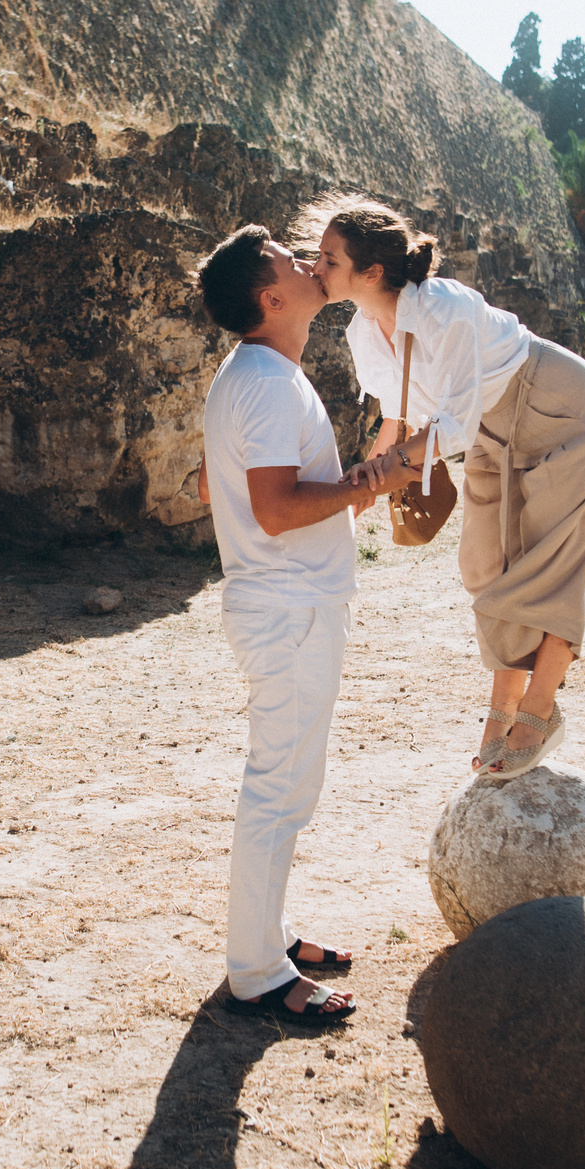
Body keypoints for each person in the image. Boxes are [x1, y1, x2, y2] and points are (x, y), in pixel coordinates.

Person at [300, 193, 585, 780]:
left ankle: (539, 709)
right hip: (492, 433)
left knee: (549, 562)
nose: (315, 269)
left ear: (370, 273)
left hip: (559, 407)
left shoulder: (443, 308)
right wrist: (361, 489)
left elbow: (450, 425)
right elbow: (394, 419)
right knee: (485, 565)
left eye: (328, 259)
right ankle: (501, 707)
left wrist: (388, 464)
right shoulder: (364, 330)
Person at [191, 225, 378, 1027]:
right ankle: (257, 971)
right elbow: (270, 507)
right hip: (289, 607)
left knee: (287, 786)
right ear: (272, 299)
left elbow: (214, 487)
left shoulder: (256, 374)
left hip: (283, 602)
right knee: (279, 790)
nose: (310, 265)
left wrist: (346, 484)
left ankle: (268, 935)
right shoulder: (265, 381)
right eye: (292, 263)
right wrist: (369, 481)